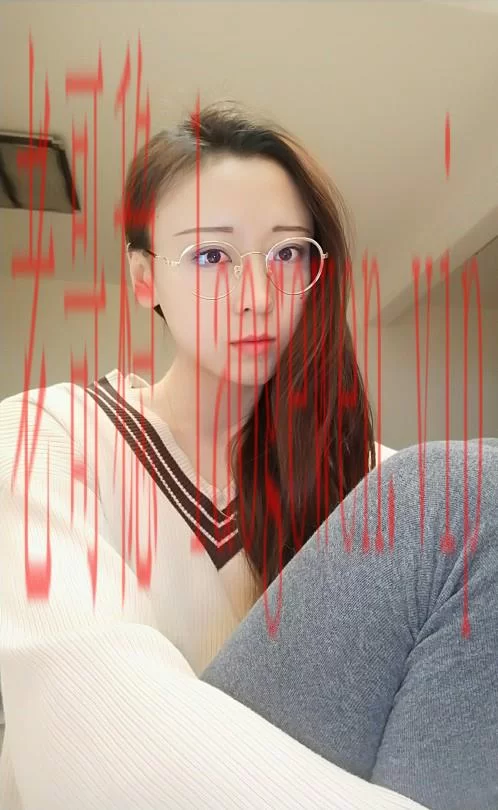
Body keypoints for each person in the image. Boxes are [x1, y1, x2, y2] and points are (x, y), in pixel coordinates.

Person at [0, 101, 495, 810]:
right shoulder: (49, 435)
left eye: (287, 253)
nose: (257, 297)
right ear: (144, 279)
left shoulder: (368, 477)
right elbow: (83, 712)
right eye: (210, 256)